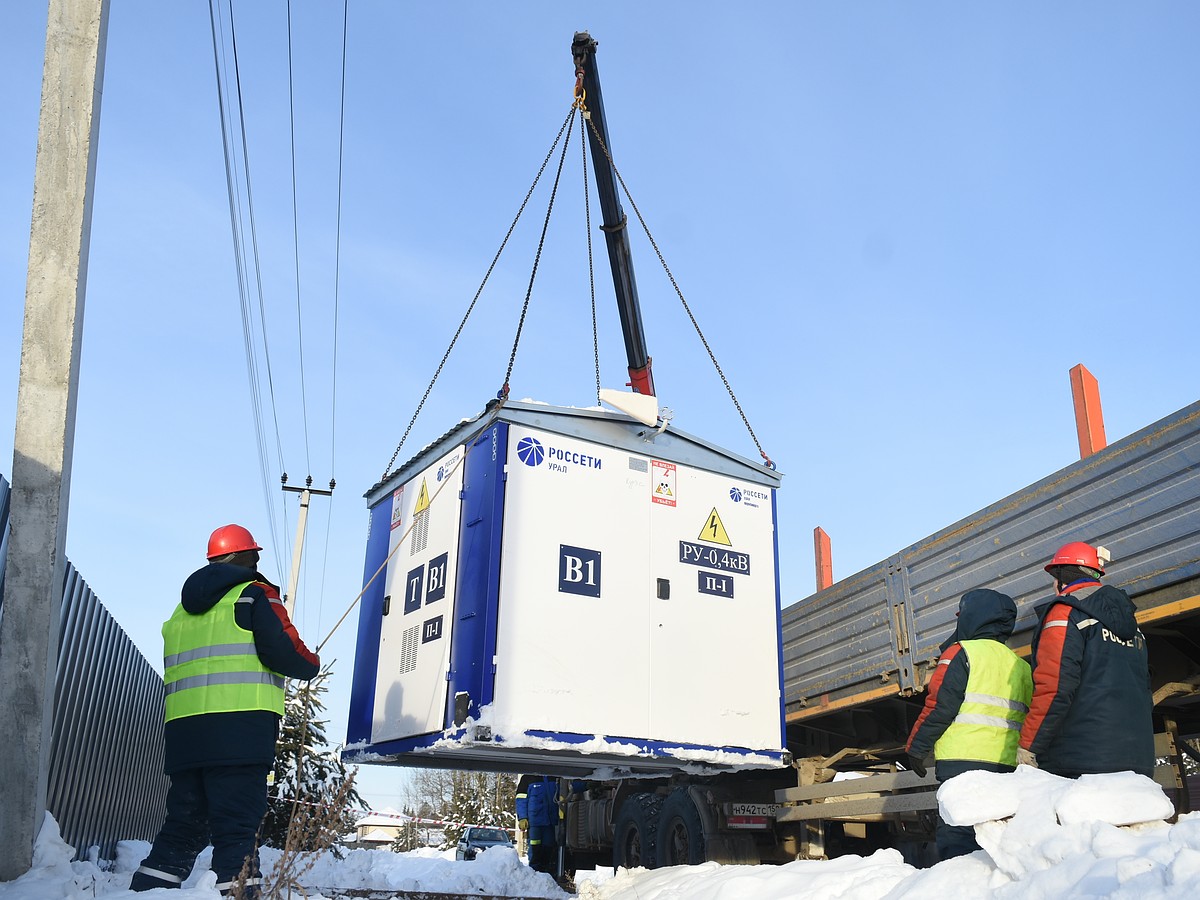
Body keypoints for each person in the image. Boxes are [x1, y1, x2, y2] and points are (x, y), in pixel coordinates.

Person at [131, 525, 321, 897]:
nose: (258, 561)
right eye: (255, 554)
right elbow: (286, 652)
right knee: (237, 828)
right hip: (239, 732)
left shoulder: (182, 610)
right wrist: (312, 664)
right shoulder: (253, 595)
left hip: (185, 737)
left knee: (184, 825)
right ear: (242, 557)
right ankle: (240, 894)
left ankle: (143, 892)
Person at [906, 588, 1032, 860]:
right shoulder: (1019, 664)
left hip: (962, 761)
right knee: (997, 834)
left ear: (973, 617)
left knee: (959, 835)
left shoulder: (961, 652)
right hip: (1006, 764)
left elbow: (940, 705)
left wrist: (917, 747)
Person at [1018, 541, 1154, 779]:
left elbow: (1055, 686)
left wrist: (1029, 745)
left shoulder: (1064, 613)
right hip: (1137, 760)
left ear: (1063, 577)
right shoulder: (1134, 626)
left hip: (1079, 759)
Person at [515, 775, 560, 875]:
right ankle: (534, 873)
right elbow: (521, 799)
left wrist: (586, 785)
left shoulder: (554, 776)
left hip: (550, 822)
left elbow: (569, 786)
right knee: (535, 849)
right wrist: (522, 817)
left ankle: (547, 874)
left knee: (549, 849)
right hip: (535, 823)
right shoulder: (527, 778)